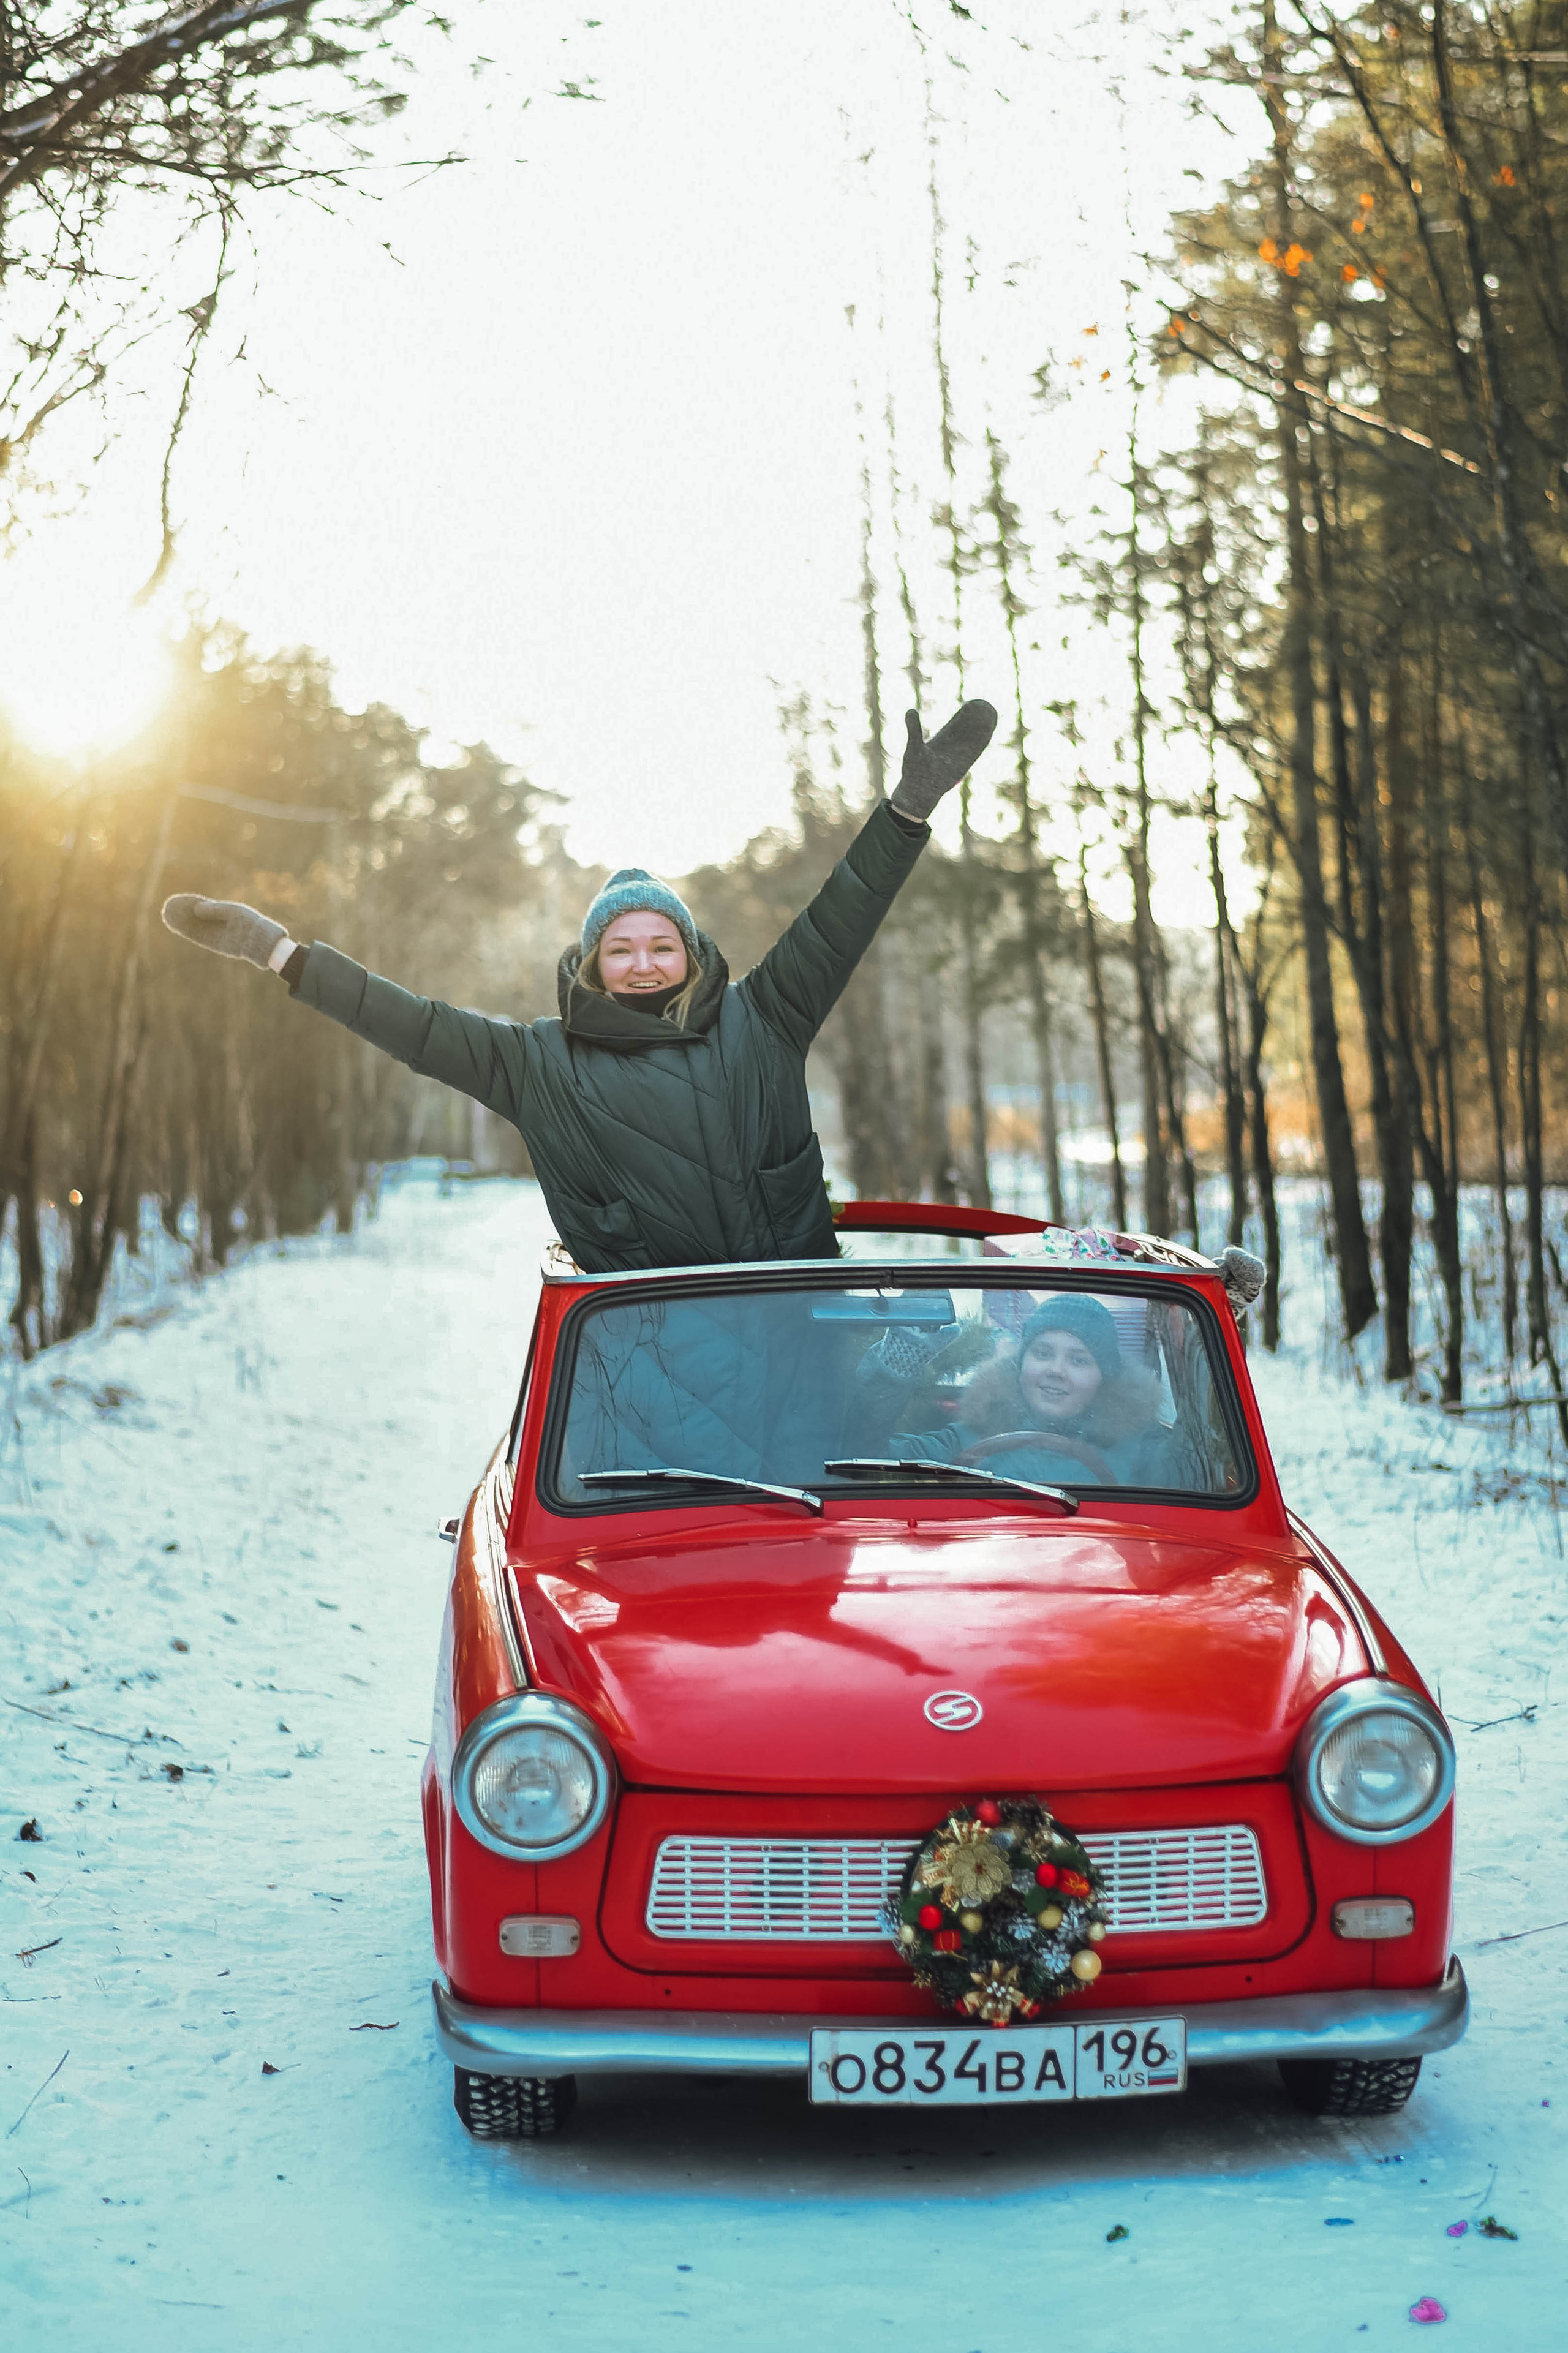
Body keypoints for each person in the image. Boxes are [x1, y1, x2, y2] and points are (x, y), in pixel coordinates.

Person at [160, 701, 997, 1274]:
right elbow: (414, 1027)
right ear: (591, 964)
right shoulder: (540, 1064)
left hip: (807, 1335)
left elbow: (839, 918)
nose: (642, 962)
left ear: (692, 954)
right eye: (621, 947)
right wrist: (282, 954)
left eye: (661, 944)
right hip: (650, 1378)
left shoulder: (765, 1019)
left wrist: (904, 814)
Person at [878, 1295, 1182, 1489]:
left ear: (1105, 1378)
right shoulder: (968, 1437)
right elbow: (863, 1460)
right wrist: (891, 1375)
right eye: (1043, 1353)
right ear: (1020, 1364)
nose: (1056, 1370)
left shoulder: (1145, 1449)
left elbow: (1206, 1468)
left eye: (1078, 1360)